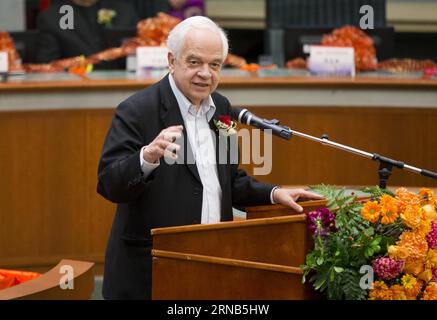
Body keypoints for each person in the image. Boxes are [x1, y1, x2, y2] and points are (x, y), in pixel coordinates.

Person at [97, 16, 323, 300]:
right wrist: (147, 156)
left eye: (215, 64)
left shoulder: (222, 108)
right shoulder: (136, 110)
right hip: (152, 270)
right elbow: (109, 183)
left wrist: (275, 194)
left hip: (212, 262)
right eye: (194, 62)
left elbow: (229, 182)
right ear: (172, 60)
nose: (206, 73)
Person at [35, 0, 139, 68]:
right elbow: (47, 64)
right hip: (73, 90)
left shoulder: (125, 11)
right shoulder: (52, 17)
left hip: (122, 88)